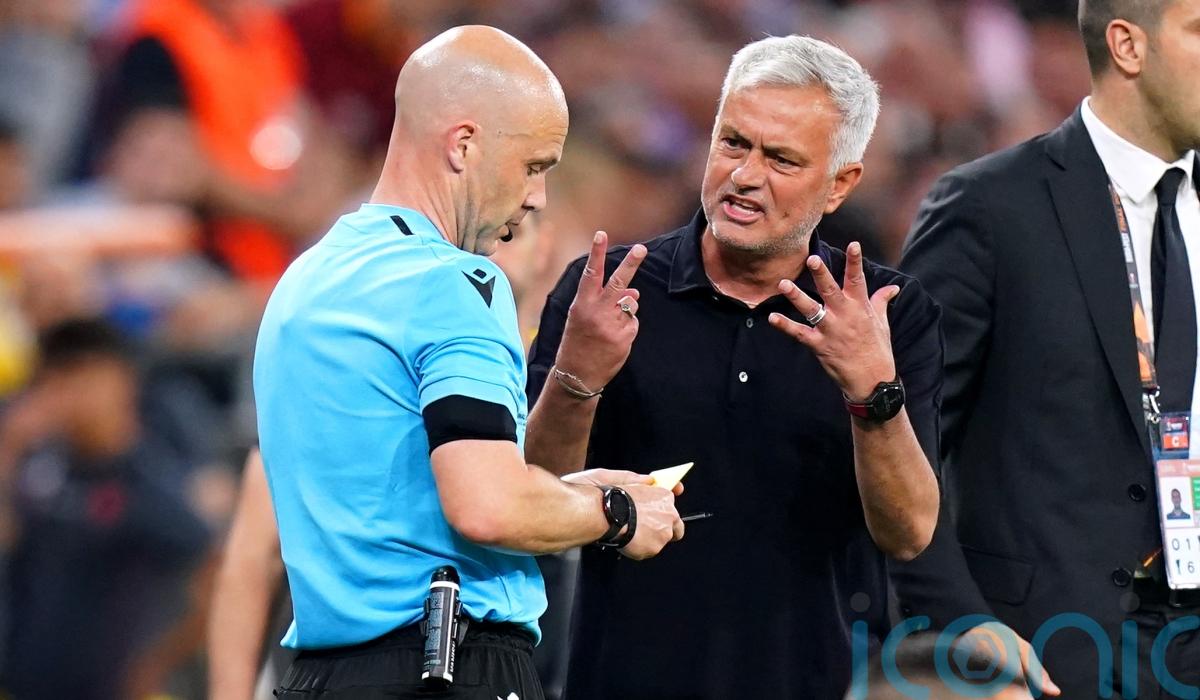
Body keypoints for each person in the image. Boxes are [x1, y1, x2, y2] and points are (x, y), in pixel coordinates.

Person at [253, 26, 684, 699]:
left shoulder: (305, 280)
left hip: (319, 677)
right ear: (463, 145)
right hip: (443, 670)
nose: (539, 197)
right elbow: (487, 507)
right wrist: (617, 511)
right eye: (534, 166)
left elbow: (418, 495)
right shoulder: (455, 283)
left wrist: (571, 489)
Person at [525, 35, 942, 699]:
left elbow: (910, 532)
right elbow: (535, 497)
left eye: (781, 159)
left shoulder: (887, 314)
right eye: (733, 143)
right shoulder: (609, 291)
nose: (745, 176)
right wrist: (578, 380)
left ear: (840, 184)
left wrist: (872, 395)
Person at [893, 0, 1200, 695]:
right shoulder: (989, 208)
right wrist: (957, 620)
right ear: (1128, 45)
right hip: (1050, 651)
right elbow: (894, 444)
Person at [0, 318, 212, 699]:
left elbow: (212, 569)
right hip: (24, 684)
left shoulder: (145, 480)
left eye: (81, 377)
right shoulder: (40, 465)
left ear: (121, 381)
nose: (67, 393)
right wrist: (10, 451)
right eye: (56, 379)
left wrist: (157, 664)